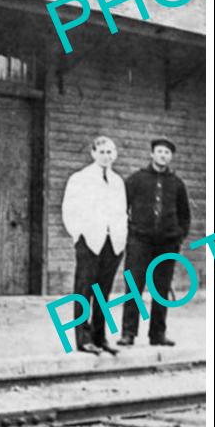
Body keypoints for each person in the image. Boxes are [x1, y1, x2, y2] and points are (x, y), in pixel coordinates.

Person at [61, 136, 128, 356]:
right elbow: (69, 210)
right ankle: (82, 338)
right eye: (102, 152)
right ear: (92, 153)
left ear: (115, 154)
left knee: (103, 292)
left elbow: (121, 211)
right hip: (90, 241)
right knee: (84, 290)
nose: (106, 156)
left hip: (112, 243)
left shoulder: (117, 181)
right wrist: (80, 235)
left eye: (110, 152)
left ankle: (100, 337)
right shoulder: (80, 179)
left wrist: (120, 235)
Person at [121, 137, 191, 346]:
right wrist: (131, 232)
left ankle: (157, 334)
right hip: (139, 242)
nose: (163, 156)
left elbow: (184, 214)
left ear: (171, 157)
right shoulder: (136, 179)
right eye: (159, 152)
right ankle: (128, 333)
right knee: (134, 285)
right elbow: (121, 207)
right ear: (152, 154)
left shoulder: (177, 184)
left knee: (161, 288)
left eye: (167, 153)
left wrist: (178, 235)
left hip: (167, 244)